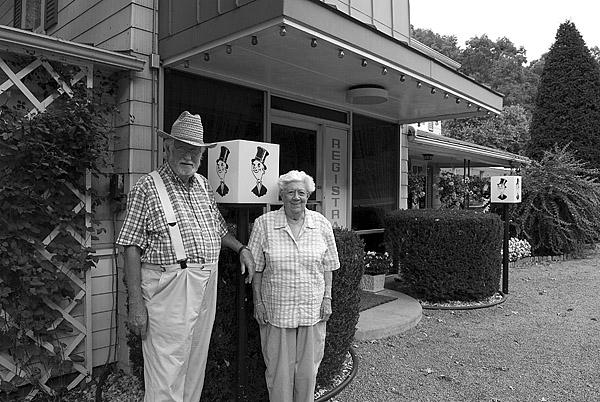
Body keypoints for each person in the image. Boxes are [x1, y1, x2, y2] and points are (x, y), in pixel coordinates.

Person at [116, 111, 255, 402]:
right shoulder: (147, 187)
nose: (189, 156)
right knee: (166, 372)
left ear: (202, 156)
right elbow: (130, 245)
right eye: (182, 148)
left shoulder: (204, 186)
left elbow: (218, 231)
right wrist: (136, 305)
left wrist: (241, 248)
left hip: (204, 282)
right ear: (167, 147)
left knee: (194, 363)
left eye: (195, 151)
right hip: (168, 286)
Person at [247, 170, 340, 402]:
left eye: (301, 192)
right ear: (282, 195)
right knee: (278, 373)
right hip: (277, 311)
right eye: (290, 192)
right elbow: (256, 269)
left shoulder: (321, 224)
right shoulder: (264, 224)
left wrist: (327, 298)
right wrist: (258, 303)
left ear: (308, 195)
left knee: (308, 373)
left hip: (312, 310)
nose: (296, 197)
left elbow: (328, 266)